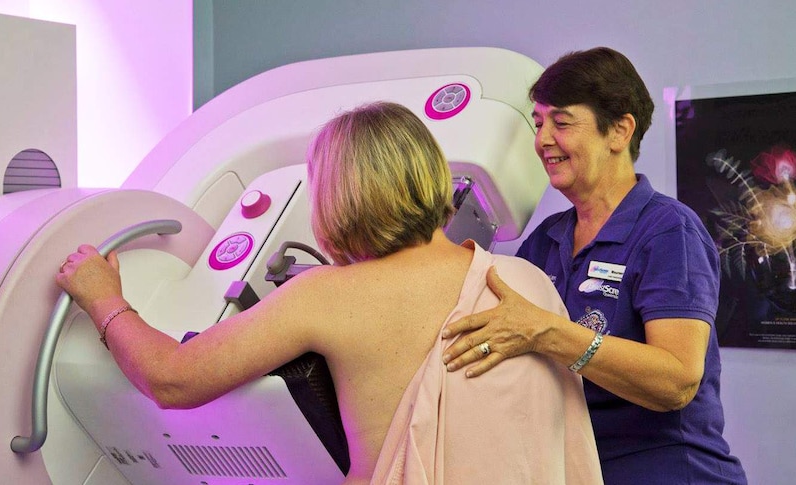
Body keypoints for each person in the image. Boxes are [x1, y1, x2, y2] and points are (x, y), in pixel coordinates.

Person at [57, 101, 603, 484]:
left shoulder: (327, 295)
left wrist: (105, 299)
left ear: (335, 197)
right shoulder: (525, 282)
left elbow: (172, 379)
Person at [441, 47, 748, 484]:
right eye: (539, 121)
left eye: (561, 122)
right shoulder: (546, 240)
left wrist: (548, 332)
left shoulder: (668, 231)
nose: (543, 139)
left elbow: (677, 380)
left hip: (668, 471)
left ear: (620, 130)